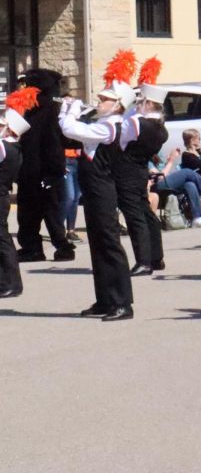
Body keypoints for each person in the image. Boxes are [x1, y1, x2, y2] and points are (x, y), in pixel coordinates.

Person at [59, 57, 139, 322]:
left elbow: (70, 129)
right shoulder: (101, 122)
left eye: (105, 99)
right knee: (97, 245)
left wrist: (68, 109)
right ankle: (105, 299)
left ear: (117, 105)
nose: (99, 102)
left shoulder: (109, 125)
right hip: (93, 191)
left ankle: (122, 303)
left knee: (109, 245)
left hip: (103, 191)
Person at [15, 69, 74, 263]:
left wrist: (53, 171)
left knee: (46, 211)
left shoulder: (48, 108)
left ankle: (60, 246)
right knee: (36, 212)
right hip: (32, 169)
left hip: (43, 169)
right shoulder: (35, 107)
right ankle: (34, 248)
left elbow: (53, 143)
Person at [113, 78, 170, 276]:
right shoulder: (161, 128)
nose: (136, 104)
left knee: (134, 216)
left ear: (147, 103)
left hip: (126, 170)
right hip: (140, 170)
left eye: (140, 101)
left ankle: (144, 261)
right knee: (145, 213)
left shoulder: (136, 122)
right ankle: (156, 257)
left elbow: (119, 142)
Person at [0, 94, 35, 299]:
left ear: (9, 129)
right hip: (3, 194)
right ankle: (8, 281)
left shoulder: (5, 146)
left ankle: (11, 283)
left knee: (3, 241)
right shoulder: (15, 147)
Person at [150, 148, 201, 227]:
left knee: (189, 184)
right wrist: (171, 161)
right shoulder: (146, 161)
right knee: (186, 172)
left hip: (165, 184)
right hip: (155, 188)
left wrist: (168, 162)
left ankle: (197, 218)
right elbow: (159, 177)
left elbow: (166, 174)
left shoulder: (157, 157)